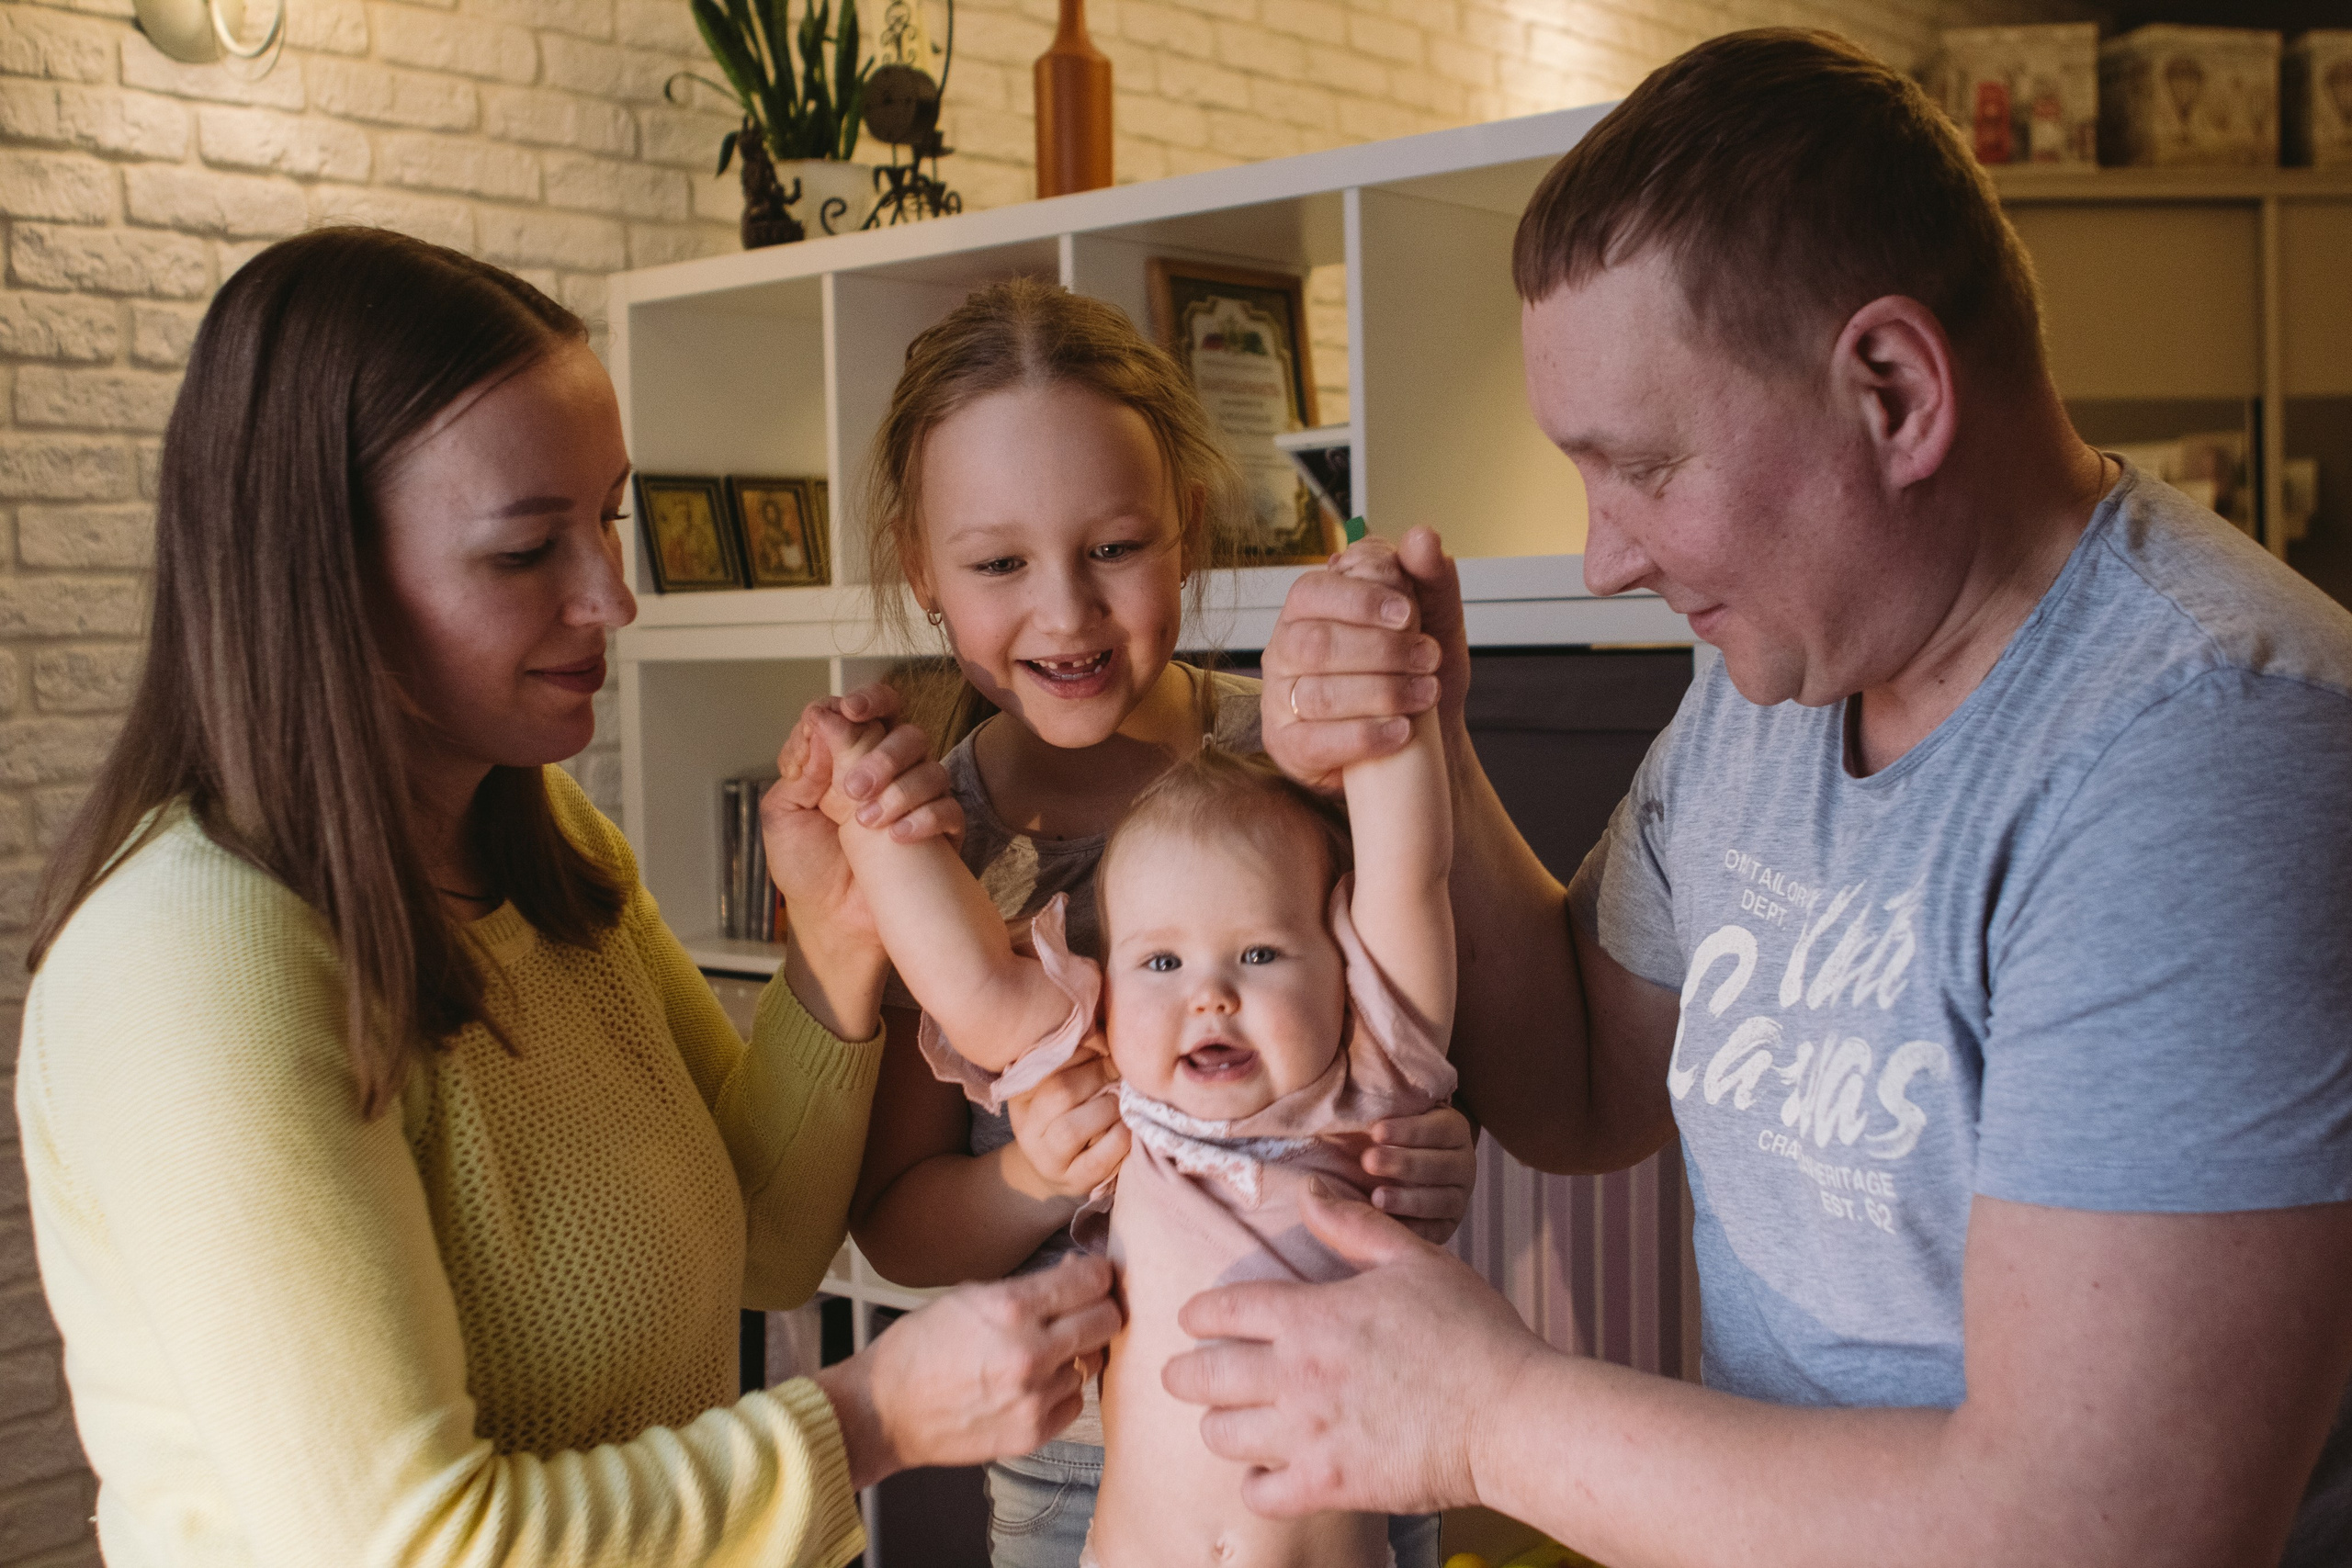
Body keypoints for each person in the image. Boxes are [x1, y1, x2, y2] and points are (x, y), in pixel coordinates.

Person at [1157, 29, 2352, 1568]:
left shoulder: (2207, 755)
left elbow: (2104, 1533)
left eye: (1644, 466)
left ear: (1896, 391)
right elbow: (1588, 1080)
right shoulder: (1779, 677)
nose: (1605, 558)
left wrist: (1487, 1415)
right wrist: (1421, 745)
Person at [15, 227, 1116, 1568]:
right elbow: (416, 1541)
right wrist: (873, 1412)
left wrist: (834, 934)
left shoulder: (542, 848)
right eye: (528, 549)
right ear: (322, 573)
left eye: (607, 515)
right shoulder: (187, 959)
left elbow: (764, 1247)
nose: (615, 595)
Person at [760, 276, 1477, 1568]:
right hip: (1079, 1487)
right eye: (998, 563)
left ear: (1186, 526)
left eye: (1114, 547)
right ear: (925, 570)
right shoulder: (948, 844)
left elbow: (1405, 1031)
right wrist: (1032, 1172)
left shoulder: (1294, 766)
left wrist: (1441, 1145)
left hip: (1360, 1445)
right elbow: (899, 1225)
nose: (1068, 611)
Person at [816, 626, 1453, 1568]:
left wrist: (1386, 679)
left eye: (1261, 954)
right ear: (1104, 992)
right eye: (1160, 960)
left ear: (1342, 970)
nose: (1210, 994)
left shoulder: (1364, 1091)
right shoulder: (1121, 1101)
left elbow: (1410, 875)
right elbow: (970, 985)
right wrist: (873, 815)